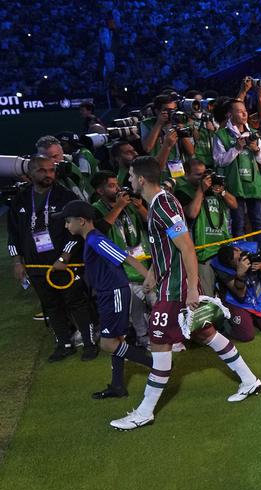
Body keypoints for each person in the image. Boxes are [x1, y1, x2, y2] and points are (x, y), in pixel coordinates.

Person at [109, 156, 261, 431]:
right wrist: (153, 274)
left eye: (131, 175)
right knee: (206, 334)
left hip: (176, 291)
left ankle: (144, 412)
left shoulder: (165, 204)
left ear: (141, 179)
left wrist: (192, 288)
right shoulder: (158, 203)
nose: (128, 180)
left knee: (159, 346)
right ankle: (249, 380)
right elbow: (164, 246)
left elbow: (187, 248)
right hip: (171, 284)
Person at [52, 201, 155, 399]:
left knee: (107, 344)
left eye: (67, 221)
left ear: (81, 221)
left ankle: (157, 366)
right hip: (109, 293)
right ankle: (118, 386)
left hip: (113, 293)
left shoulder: (94, 239)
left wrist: (148, 278)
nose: (66, 225)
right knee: (117, 340)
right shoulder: (90, 238)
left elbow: (126, 258)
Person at [7, 156, 98, 362]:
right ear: (30, 173)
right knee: (51, 305)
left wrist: (65, 257)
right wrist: (17, 261)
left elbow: (77, 232)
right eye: (42, 170)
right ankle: (64, 345)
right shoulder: (20, 200)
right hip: (35, 264)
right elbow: (13, 234)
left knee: (77, 303)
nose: (48, 174)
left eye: (51, 170)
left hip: (66, 264)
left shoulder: (65, 196)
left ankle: (89, 344)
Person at [90, 170, 152, 347]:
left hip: (144, 264)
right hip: (122, 269)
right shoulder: (95, 208)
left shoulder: (130, 204)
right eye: (111, 186)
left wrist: (140, 207)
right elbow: (99, 230)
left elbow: (152, 223)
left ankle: (161, 335)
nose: (117, 188)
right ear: (100, 191)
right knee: (135, 310)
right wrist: (118, 207)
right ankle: (142, 337)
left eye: (117, 184)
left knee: (157, 302)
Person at [179, 159, 238, 298]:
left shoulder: (215, 189)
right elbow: (192, 213)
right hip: (203, 253)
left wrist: (222, 191)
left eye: (204, 173)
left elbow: (234, 205)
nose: (204, 178)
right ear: (186, 175)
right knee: (207, 296)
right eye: (198, 175)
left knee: (231, 293)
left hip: (224, 248)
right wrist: (201, 190)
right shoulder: (183, 191)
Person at [211, 98, 261, 237]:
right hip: (235, 186)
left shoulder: (254, 133)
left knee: (258, 223)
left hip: (254, 186)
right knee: (238, 223)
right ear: (229, 115)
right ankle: (239, 256)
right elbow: (219, 161)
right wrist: (236, 149)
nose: (244, 114)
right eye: (240, 112)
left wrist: (256, 150)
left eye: (245, 111)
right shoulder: (221, 135)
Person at [211, 245, 261, 341]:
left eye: (239, 258)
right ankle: (227, 324)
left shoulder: (252, 251)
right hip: (237, 301)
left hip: (258, 294)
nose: (241, 262)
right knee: (246, 336)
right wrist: (240, 275)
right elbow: (241, 295)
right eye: (236, 263)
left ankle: (252, 320)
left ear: (238, 249)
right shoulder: (222, 268)